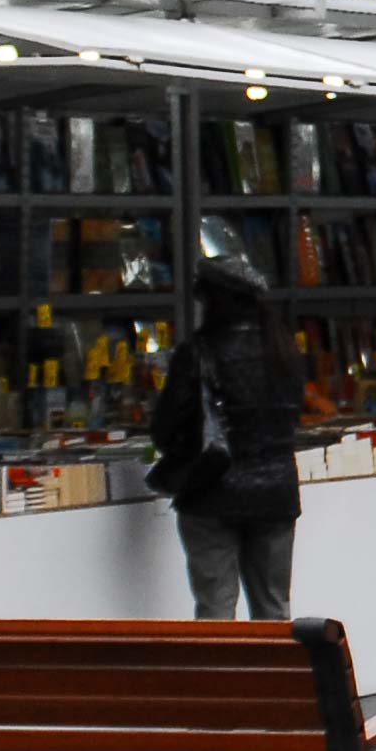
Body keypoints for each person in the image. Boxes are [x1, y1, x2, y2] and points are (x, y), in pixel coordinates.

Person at [153, 251, 306, 621]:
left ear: (214, 301)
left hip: (210, 494)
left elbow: (165, 428)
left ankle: (220, 680)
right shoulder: (284, 351)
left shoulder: (198, 353)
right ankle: (271, 679)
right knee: (274, 606)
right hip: (275, 493)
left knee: (215, 606)